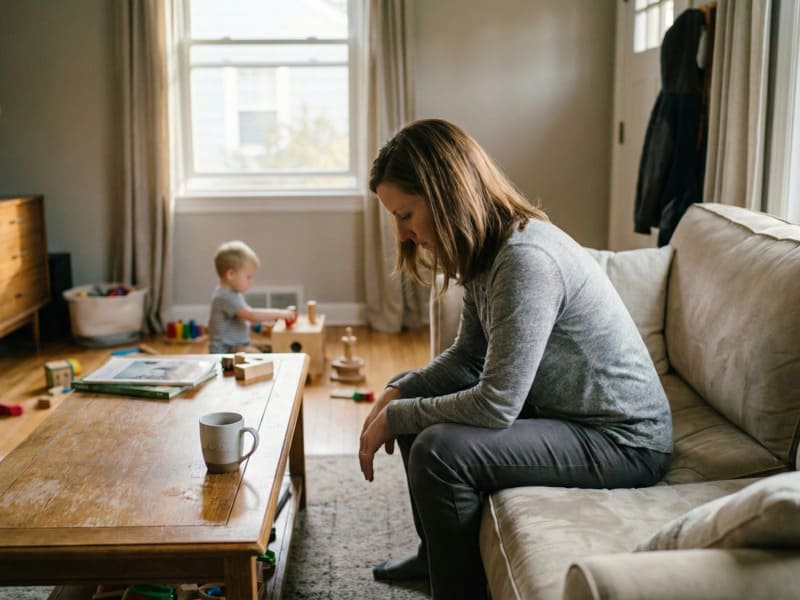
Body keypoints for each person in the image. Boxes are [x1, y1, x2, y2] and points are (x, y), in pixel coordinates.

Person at [358, 119, 673, 599]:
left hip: (623, 440)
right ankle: (434, 557)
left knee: (438, 450)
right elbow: (467, 357)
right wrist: (399, 392)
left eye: (405, 214)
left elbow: (496, 405)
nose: (402, 235)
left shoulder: (525, 260)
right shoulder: (487, 250)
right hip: (565, 414)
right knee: (411, 386)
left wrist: (399, 415)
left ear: (444, 195)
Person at [207, 240, 295, 353]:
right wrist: (281, 314)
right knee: (258, 356)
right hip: (225, 352)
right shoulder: (225, 296)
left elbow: (241, 318)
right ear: (231, 274)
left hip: (237, 345)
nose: (251, 282)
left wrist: (260, 324)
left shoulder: (231, 293)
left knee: (272, 349)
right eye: (248, 277)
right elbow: (251, 315)